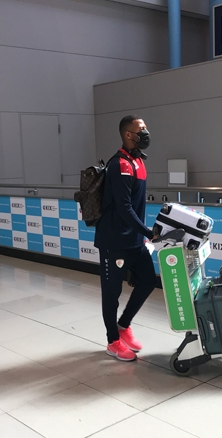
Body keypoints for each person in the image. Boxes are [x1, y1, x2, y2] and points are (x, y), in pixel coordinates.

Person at [94, 115, 157, 361]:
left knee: (148, 281)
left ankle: (124, 325)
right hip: (114, 241)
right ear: (128, 134)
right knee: (111, 294)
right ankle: (112, 341)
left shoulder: (139, 161)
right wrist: (148, 232)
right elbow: (124, 208)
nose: (146, 132)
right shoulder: (119, 164)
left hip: (134, 240)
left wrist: (143, 234)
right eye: (141, 129)